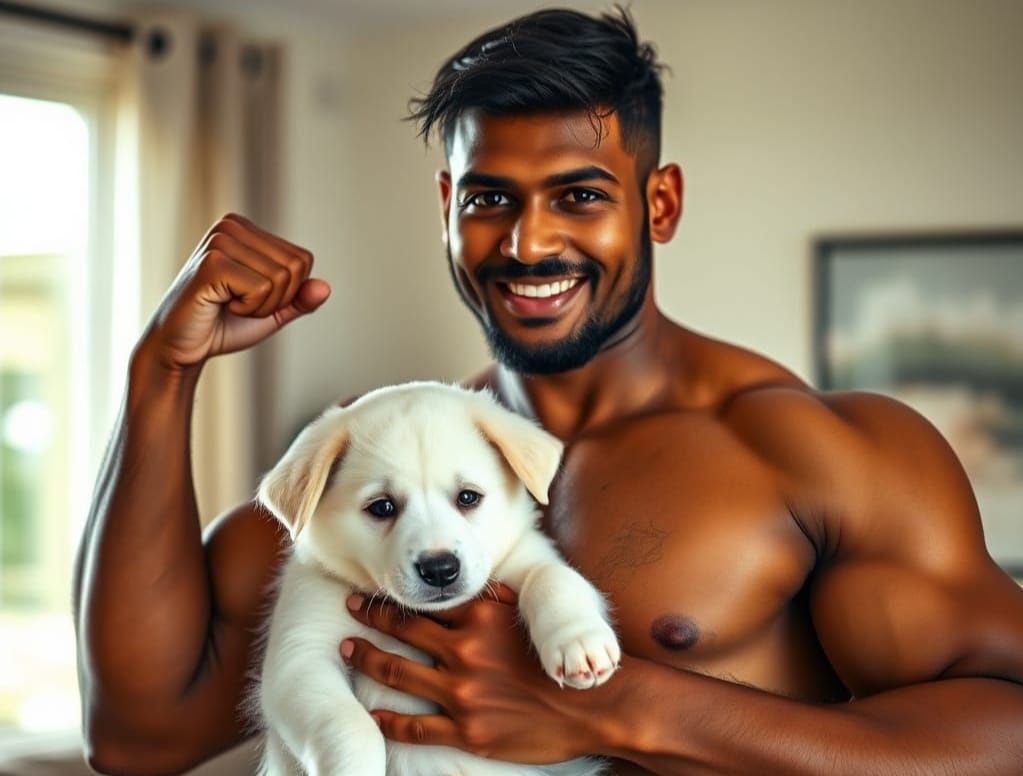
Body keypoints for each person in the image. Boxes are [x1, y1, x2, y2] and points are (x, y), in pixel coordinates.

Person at [75, 7, 1023, 775]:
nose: (527, 243)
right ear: (447, 209)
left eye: (579, 195)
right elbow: (138, 739)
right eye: (489, 198)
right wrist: (161, 371)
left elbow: (1006, 728)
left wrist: (615, 705)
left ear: (658, 203)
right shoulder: (377, 473)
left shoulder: (816, 451)